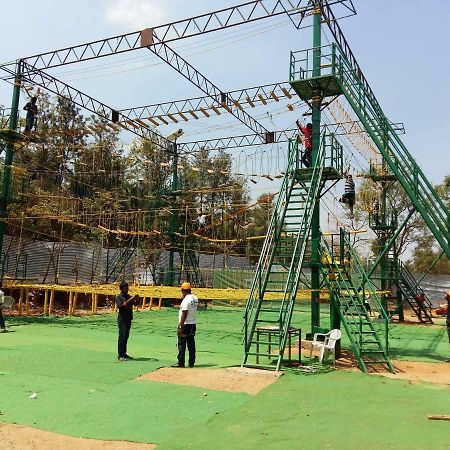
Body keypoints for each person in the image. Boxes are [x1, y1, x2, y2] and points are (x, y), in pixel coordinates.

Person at [172, 282, 199, 368]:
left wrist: (180, 326)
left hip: (185, 324)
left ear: (183, 290)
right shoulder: (195, 298)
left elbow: (184, 313)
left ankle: (181, 362)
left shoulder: (186, 300)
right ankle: (191, 362)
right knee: (191, 344)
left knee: (182, 344)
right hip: (192, 324)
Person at [115, 281, 139, 361]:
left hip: (128, 319)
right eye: (125, 288)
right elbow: (122, 306)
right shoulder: (118, 297)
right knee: (121, 337)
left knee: (126, 336)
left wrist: (136, 299)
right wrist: (130, 299)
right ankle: (120, 355)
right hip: (122, 319)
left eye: (127, 288)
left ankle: (124, 353)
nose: (127, 289)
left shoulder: (129, 296)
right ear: (121, 289)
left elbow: (136, 304)